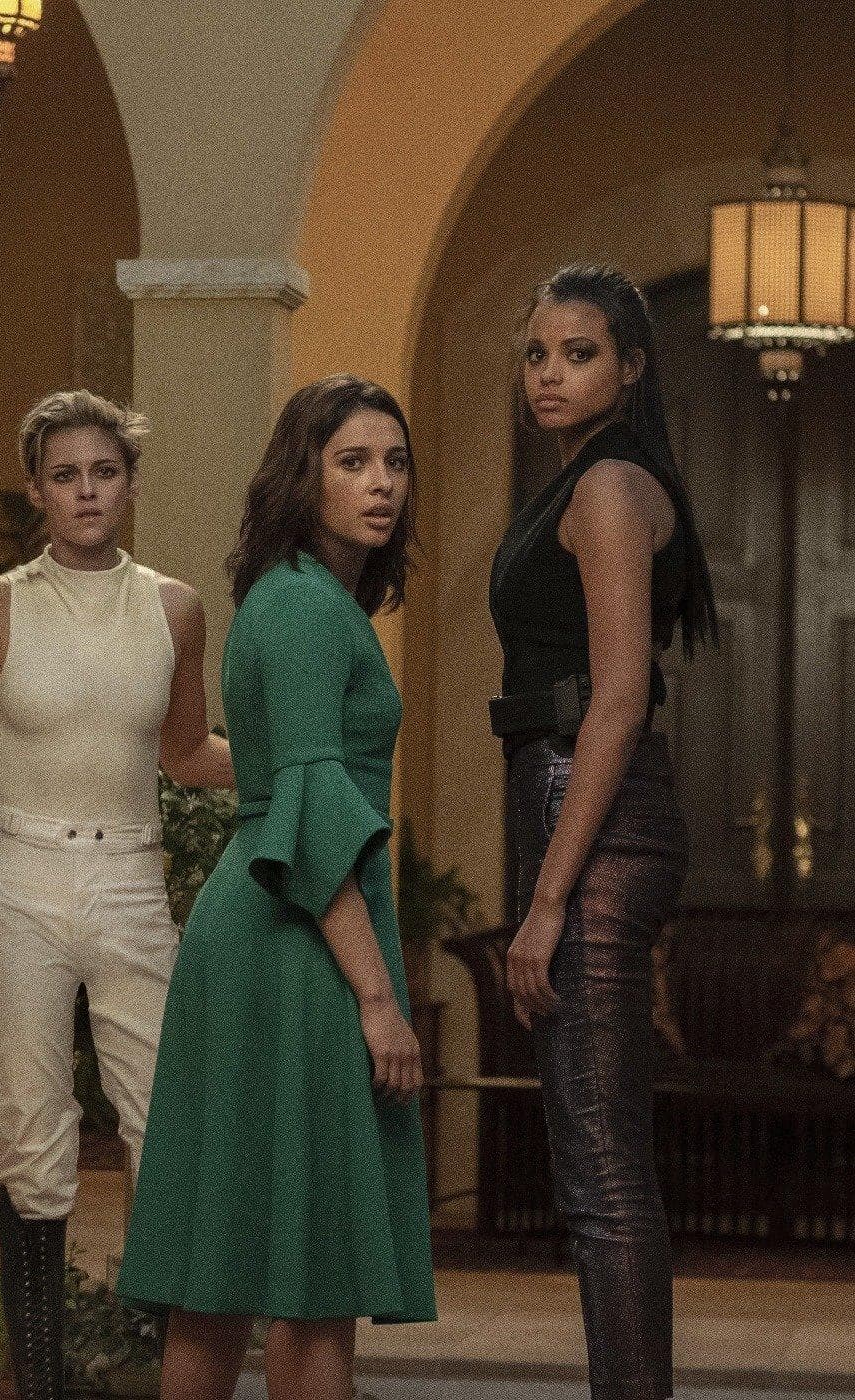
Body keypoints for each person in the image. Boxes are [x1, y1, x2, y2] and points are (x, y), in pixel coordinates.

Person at [118, 375, 437, 1400]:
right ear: (302, 477)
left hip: (274, 929)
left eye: (394, 462)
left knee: (225, 1268)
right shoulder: (303, 606)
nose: (380, 483)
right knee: (311, 1274)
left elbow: (272, 777)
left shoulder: (306, 598)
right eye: (352, 462)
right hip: (300, 939)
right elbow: (308, 808)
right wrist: (378, 998)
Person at [0, 389, 234, 1400]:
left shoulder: (174, 607)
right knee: (28, 1134)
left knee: (167, 1124)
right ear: (35, 490)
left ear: (130, 483)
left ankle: (162, 1364)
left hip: (132, 878)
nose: (86, 491)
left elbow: (186, 752)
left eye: (104, 471)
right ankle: (41, 1384)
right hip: (16, 879)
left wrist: (300, 759)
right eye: (65, 475)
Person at [489, 264, 717, 1400]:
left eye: (577, 354)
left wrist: (546, 902)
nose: (549, 374)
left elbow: (618, 698)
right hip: (578, 801)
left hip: (591, 811)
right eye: (537, 354)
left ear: (630, 367)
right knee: (594, 1159)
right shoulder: (585, 480)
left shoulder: (612, 486)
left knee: (600, 1171)